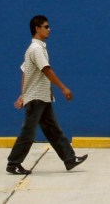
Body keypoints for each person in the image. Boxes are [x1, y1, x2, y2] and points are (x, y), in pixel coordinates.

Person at [6, 14, 87, 175]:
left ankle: (69, 159)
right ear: (37, 29)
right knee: (28, 133)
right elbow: (46, 70)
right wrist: (63, 88)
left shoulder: (37, 48)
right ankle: (13, 163)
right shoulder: (36, 49)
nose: (50, 30)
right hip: (36, 97)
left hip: (42, 97)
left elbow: (24, 71)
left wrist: (22, 94)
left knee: (53, 130)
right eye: (46, 27)